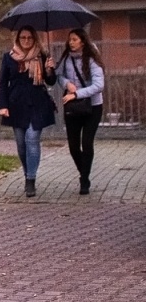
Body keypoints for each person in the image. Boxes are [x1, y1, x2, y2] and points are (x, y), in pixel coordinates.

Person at [0, 27, 57, 198]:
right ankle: (27, 172)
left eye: (29, 37)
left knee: (32, 139)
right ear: (18, 39)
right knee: (21, 145)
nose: (26, 40)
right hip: (16, 105)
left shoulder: (42, 55)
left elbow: (51, 81)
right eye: (23, 37)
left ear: (34, 39)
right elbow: (2, 84)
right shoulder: (9, 57)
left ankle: (31, 179)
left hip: (37, 104)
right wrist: (3, 105)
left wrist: (50, 70)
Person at [56, 27, 106, 195]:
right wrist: (66, 84)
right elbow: (58, 75)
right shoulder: (66, 58)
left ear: (83, 42)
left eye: (75, 39)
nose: (71, 42)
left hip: (93, 107)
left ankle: (84, 179)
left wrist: (76, 94)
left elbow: (99, 85)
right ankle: (84, 172)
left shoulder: (92, 59)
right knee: (73, 146)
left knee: (87, 143)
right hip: (72, 108)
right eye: (69, 39)